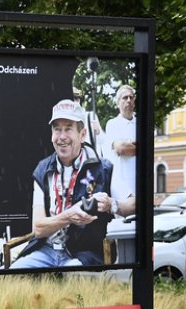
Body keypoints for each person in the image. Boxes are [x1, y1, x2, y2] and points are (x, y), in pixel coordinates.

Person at [12, 99, 116, 269]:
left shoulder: (104, 169)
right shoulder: (42, 170)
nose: (61, 137)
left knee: (72, 275)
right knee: (14, 273)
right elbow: (38, 228)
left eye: (68, 129)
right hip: (46, 251)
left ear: (82, 134)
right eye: (57, 129)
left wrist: (110, 204)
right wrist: (68, 216)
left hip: (85, 253)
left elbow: (128, 206)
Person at [104, 84, 137, 216]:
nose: (128, 100)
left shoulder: (140, 123)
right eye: (125, 98)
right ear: (118, 103)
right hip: (122, 185)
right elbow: (121, 148)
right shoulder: (112, 124)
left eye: (131, 97)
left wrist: (129, 144)